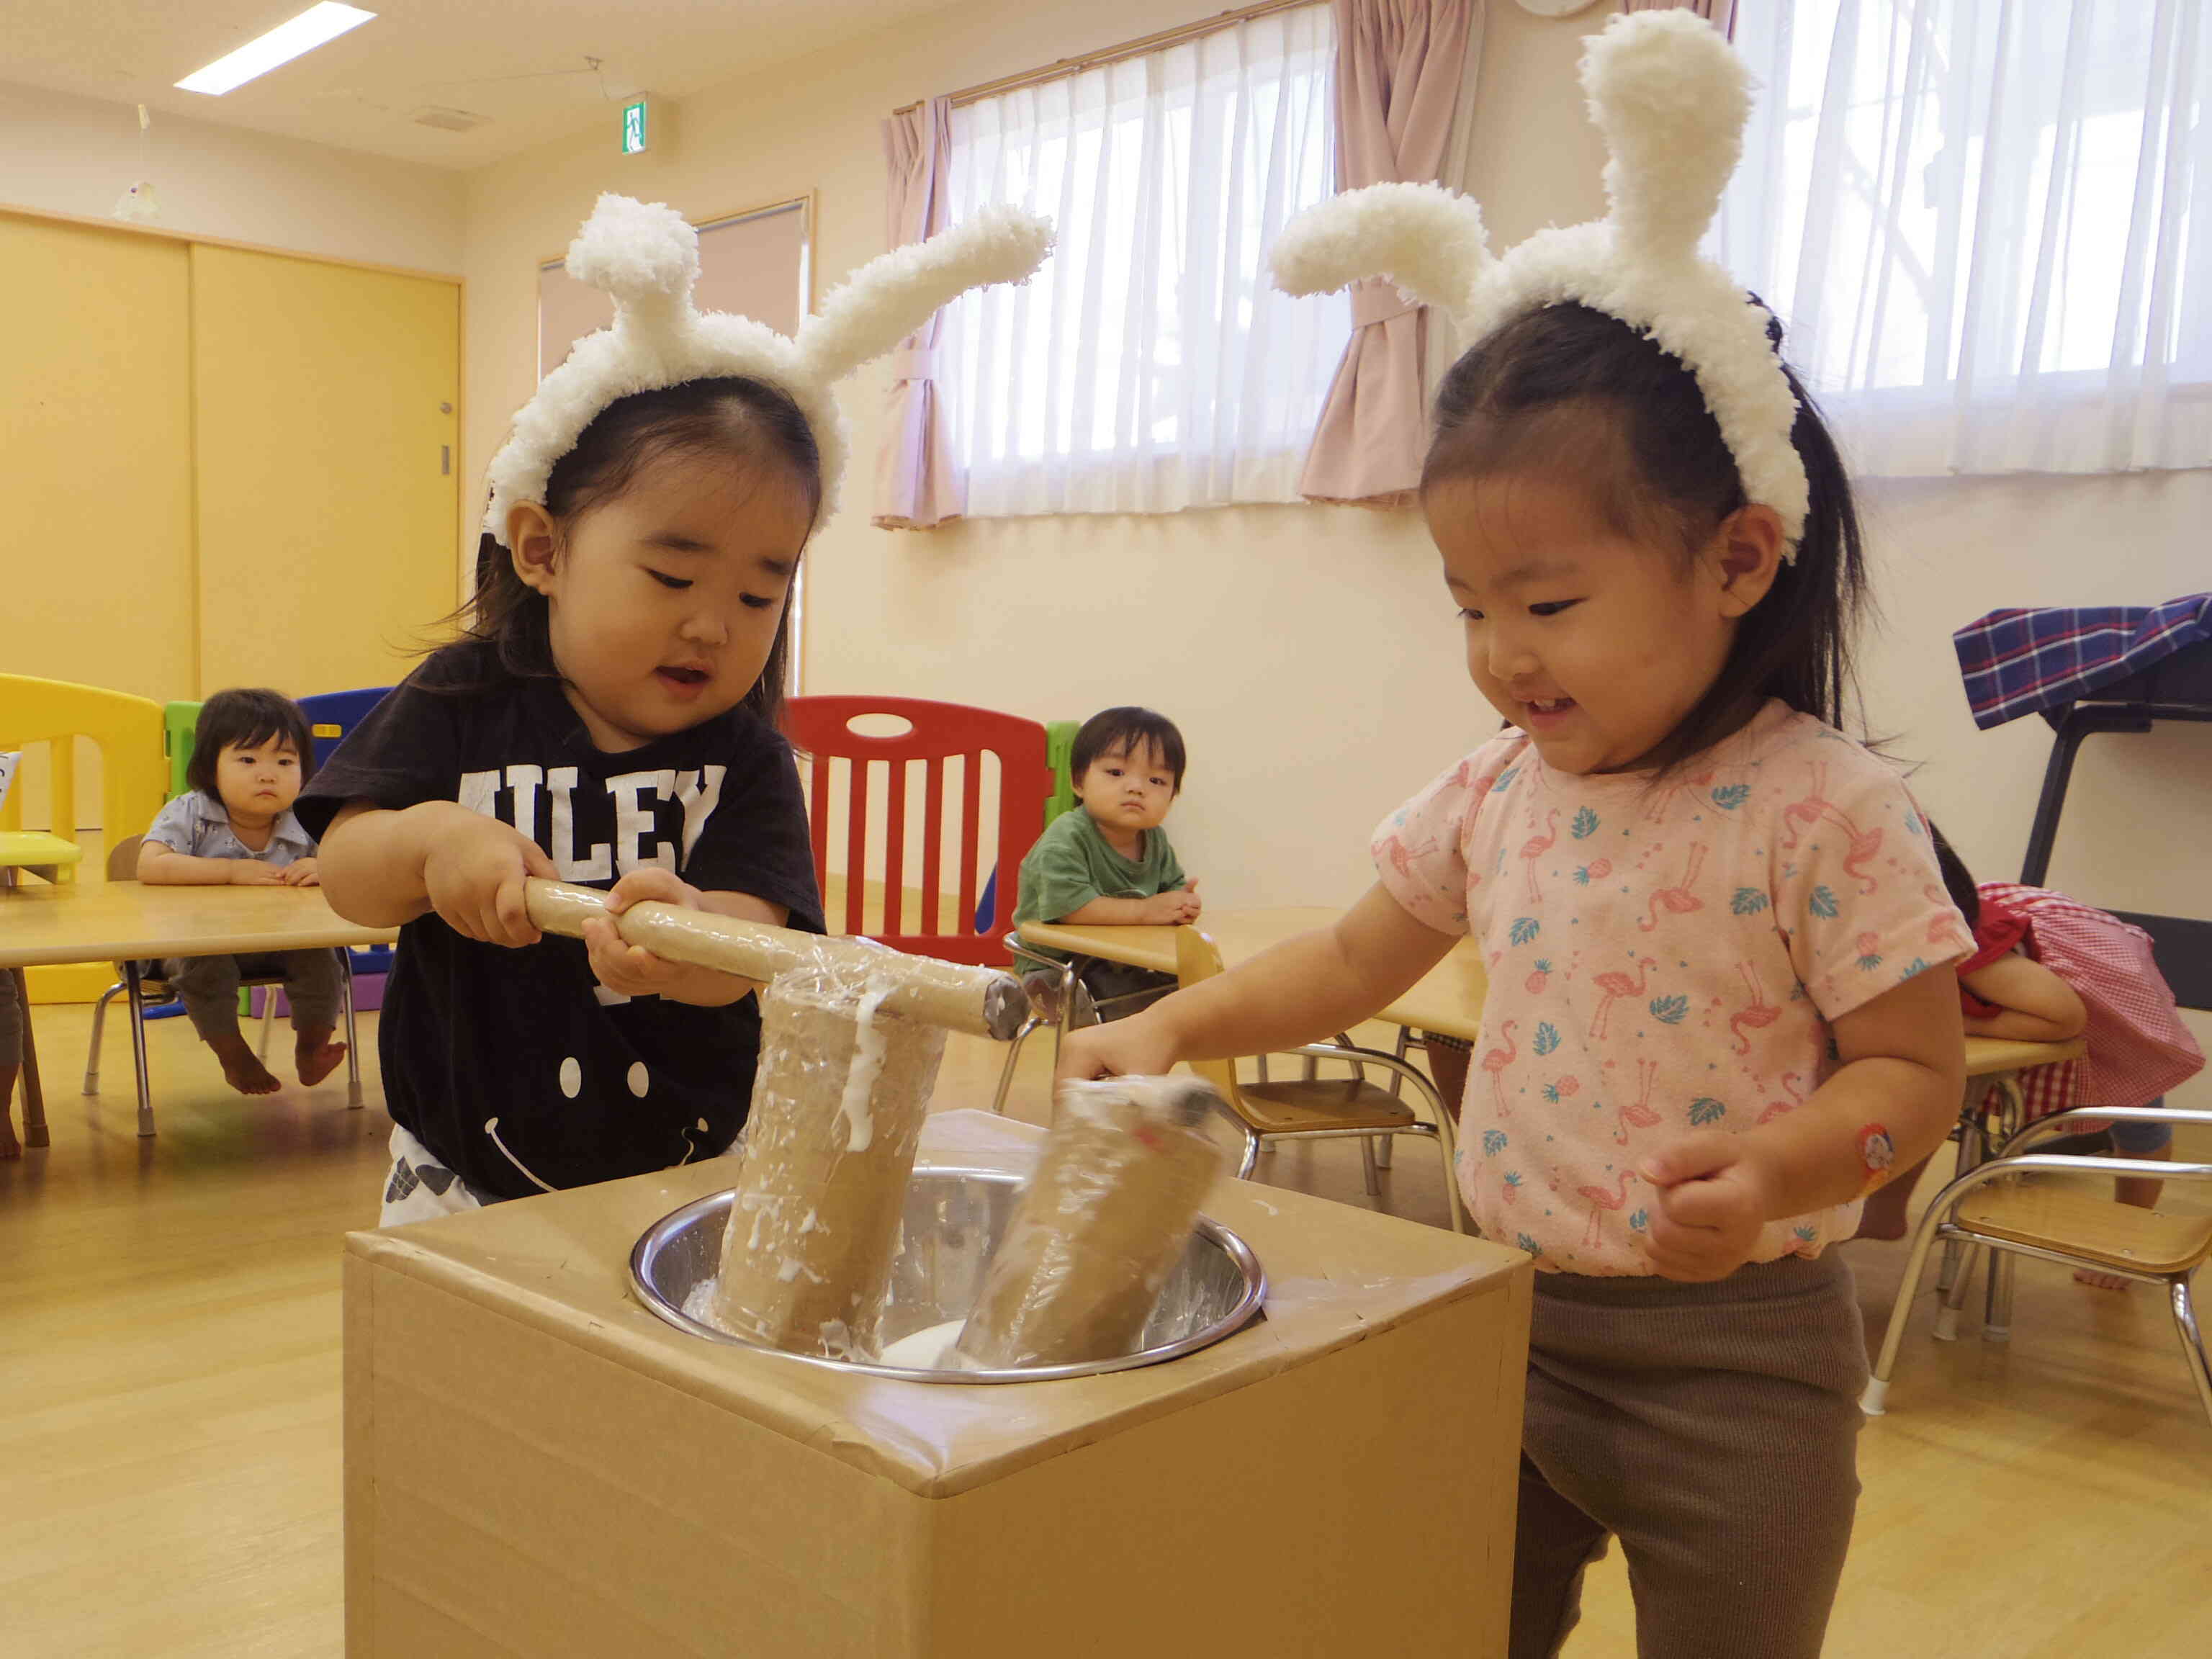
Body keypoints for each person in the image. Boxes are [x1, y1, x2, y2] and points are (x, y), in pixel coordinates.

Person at [1065, 17, 1977, 1657]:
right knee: (1452, 1619)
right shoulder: (1495, 790)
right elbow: (1351, 961)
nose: (1498, 652)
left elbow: (1911, 1081)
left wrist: (1777, 1166)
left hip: (1741, 1359)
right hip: (1503, 1320)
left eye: (1545, 601)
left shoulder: (1824, 810)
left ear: (1733, 558)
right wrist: (1183, 1019)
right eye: (1469, 605)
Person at [300, 191, 1049, 1225]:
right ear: (544, 550)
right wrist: (429, 843)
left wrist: (694, 943)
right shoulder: (461, 698)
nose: (714, 626)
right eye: (671, 577)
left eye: (758, 593)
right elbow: (348, 876)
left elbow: (756, 937)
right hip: (460, 1172)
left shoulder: (743, 756)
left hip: (693, 1166)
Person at [1856, 824, 2202, 1287]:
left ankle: (2130, 1238)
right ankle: (1886, 1211)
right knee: (1932, 1094)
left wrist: (1958, 1022)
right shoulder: (1876, 940)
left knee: (2138, 1118)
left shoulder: (1968, 950)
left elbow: (2064, 1017)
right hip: (2012, 993)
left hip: (2090, 994)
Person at [137, 688, 349, 1097]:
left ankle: (312, 1047)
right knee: (207, 967)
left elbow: (355, 859)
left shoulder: (307, 817)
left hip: (284, 940)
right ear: (209, 767)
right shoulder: (191, 812)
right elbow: (150, 864)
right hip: (195, 945)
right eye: (248, 760)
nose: (267, 774)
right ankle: (232, 1053)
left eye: (285, 761)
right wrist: (231, 870)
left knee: (323, 959)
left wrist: (326, 866)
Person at [1013, 707, 1198, 1020]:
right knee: (1131, 1014)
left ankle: (1152, 1062)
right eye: (1116, 773)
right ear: (1078, 782)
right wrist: (1147, 911)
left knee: (1197, 992)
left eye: (1156, 780)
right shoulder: (1066, 837)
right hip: (1056, 971)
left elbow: (1169, 894)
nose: (1137, 787)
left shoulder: (1155, 841)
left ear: (1171, 797)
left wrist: (1182, 905)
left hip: (1120, 965)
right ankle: (1102, 1064)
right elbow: (1069, 909)